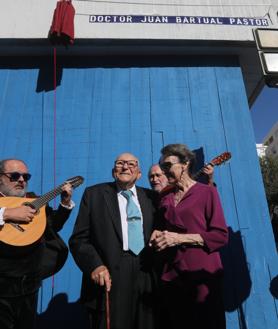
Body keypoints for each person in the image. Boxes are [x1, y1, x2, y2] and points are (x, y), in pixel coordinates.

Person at [69, 153, 159, 329]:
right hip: (110, 274)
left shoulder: (152, 198)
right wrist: (95, 265)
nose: (125, 167)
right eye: (120, 163)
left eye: (131, 164)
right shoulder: (94, 194)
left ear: (139, 174)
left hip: (146, 273)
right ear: (113, 171)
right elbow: (78, 239)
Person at [149, 144, 228, 329]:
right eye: (162, 167)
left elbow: (220, 236)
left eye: (167, 165)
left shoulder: (207, 192)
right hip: (172, 275)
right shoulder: (166, 198)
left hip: (201, 274)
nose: (163, 170)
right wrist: (157, 233)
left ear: (185, 164)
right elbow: (164, 228)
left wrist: (179, 238)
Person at [0, 159, 74, 329]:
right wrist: (7, 213)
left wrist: (64, 204)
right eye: (14, 176)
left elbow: (52, 227)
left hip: (29, 284)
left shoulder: (35, 200)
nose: (21, 180)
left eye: (25, 176)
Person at [148, 162, 215, 193]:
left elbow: (209, 198)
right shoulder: (147, 197)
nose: (154, 179)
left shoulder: (179, 192)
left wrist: (210, 178)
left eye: (158, 175)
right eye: (151, 176)